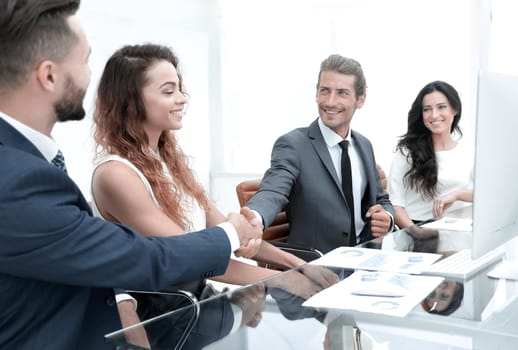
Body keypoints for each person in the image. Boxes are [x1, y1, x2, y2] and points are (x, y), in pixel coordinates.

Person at [0, 1, 263, 349]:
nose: (90, 76)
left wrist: (123, 299)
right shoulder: (16, 179)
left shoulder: (28, 162)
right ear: (49, 75)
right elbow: (147, 256)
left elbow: (79, 256)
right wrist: (235, 232)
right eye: (84, 61)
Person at [90, 44, 323, 297]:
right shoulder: (116, 175)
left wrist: (298, 265)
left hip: (193, 301)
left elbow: (225, 232)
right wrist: (282, 279)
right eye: (169, 91)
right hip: (157, 316)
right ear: (131, 101)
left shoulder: (169, 163)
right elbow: (191, 256)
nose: (181, 99)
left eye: (179, 89)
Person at [246, 54, 394, 254]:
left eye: (342, 93)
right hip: (317, 267)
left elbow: (380, 199)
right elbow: (273, 190)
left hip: (366, 258)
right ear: (316, 93)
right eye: (325, 91)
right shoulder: (293, 145)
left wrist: (387, 218)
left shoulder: (364, 145)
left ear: (360, 99)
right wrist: (254, 217)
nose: (330, 102)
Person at [387, 81, 474, 229]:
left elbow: (487, 196)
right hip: (416, 230)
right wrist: (416, 234)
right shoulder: (407, 151)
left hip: (460, 229)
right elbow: (395, 203)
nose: (434, 115)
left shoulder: (469, 151)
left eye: (441, 107)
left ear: (455, 109)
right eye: (427, 109)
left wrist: (456, 195)